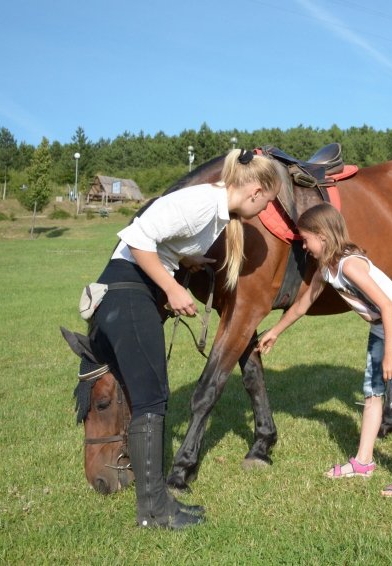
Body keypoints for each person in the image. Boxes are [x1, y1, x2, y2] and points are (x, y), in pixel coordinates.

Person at [92, 149, 281, 529]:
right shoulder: (201, 203)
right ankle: (156, 512)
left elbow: (161, 242)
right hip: (130, 289)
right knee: (151, 398)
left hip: (133, 287)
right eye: (267, 204)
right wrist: (172, 288)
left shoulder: (215, 211)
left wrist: (184, 261)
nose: (264, 213)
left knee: (152, 396)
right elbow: (137, 237)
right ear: (256, 192)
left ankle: (156, 506)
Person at [257, 204, 392, 499]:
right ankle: (363, 461)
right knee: (372, 392)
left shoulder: (350, 265)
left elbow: (388, 305)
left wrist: (390, 352)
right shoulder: (326, 267)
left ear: (322, 236)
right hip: (381, 326)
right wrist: (274, 331)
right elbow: (302, 305)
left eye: (306, 239)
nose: (305, 246)